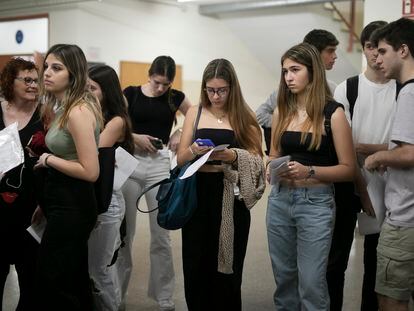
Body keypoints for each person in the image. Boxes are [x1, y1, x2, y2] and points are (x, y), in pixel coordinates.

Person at [266, 42, 355, 310]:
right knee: (284, 282)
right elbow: (273, 155)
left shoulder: (334, 114)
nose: (288, 77)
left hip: (315, 203)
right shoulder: (282, 111)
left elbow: (349, 168)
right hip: (280, 200)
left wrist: (310, 171)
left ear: (313, 72)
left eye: (295, 70)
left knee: (312, 284)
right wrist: (270, 166)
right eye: (284, 71)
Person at [177, 58, 265, 311]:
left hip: (230, 195)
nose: (215, 96)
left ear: (232, 88)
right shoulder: (195, 112)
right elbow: (181, 158)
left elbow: (258, 159)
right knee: (196, 262)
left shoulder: (244, 115)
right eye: (210, 90)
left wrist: (234, 155)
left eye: (221, 90)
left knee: (228, 265)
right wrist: (194, 149)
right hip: (198, 191)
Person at [330, 21, 397, 311]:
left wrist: (368, 148)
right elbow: (338, 145)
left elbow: (405, 147)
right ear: (365, 48)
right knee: (336, 261)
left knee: (377, 261)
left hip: (392, 187)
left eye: (382, 48)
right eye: (371, 47)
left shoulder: (403, 88)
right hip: (349, 183)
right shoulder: (349, 88)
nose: (375, 54)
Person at [119, 55, 191, 310]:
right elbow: (114, 120)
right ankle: (118, 295)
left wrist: (180, 131)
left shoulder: (175, 98)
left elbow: (197, 117)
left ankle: (164, 296)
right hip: (130, 162)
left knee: (162, 235)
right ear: (149, 75)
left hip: (159, 164)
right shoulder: (131, 93)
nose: (161, 88)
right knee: (125, 234)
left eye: (166, 84)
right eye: (158, 82)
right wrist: (134, 136)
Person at [34, 44, 103, 310]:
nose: (47, 74)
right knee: (71, 278)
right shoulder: (66, 106)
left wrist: (48, 159)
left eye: (56, 68)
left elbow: (90, 171)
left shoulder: (77, 111)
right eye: (47, 67)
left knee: (54, 280)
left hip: (73, 203)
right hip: (63, 199)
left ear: (73, 74)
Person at [365, 17, 414, 311]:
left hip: (405, 220)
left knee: (390, 301)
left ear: (403, 50)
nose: (376, 57)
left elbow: (409, 153)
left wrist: (378, 157)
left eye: (383, 51)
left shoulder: (409, 92)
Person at [87, 64, 134, 311]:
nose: (87, 92)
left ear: (107, 90)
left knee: (99, 269)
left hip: (108, 201)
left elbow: (92, 151)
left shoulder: (116, 121)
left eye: (92, 88)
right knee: (94, 268)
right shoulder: (91, 113)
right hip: (92, 196)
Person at [0, 58, 44, 310]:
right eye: (26, 80)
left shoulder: (45, 114)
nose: (32, 85)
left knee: (30, 277)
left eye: (35, 80)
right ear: (10, 81)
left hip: (31, 207)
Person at [256, 29, 339, 152]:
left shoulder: (334, 90)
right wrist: (285, 124)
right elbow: (260, 114)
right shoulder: (287, 90)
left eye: (295, 70)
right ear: (313, 53)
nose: (335, 56)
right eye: (330, 51)